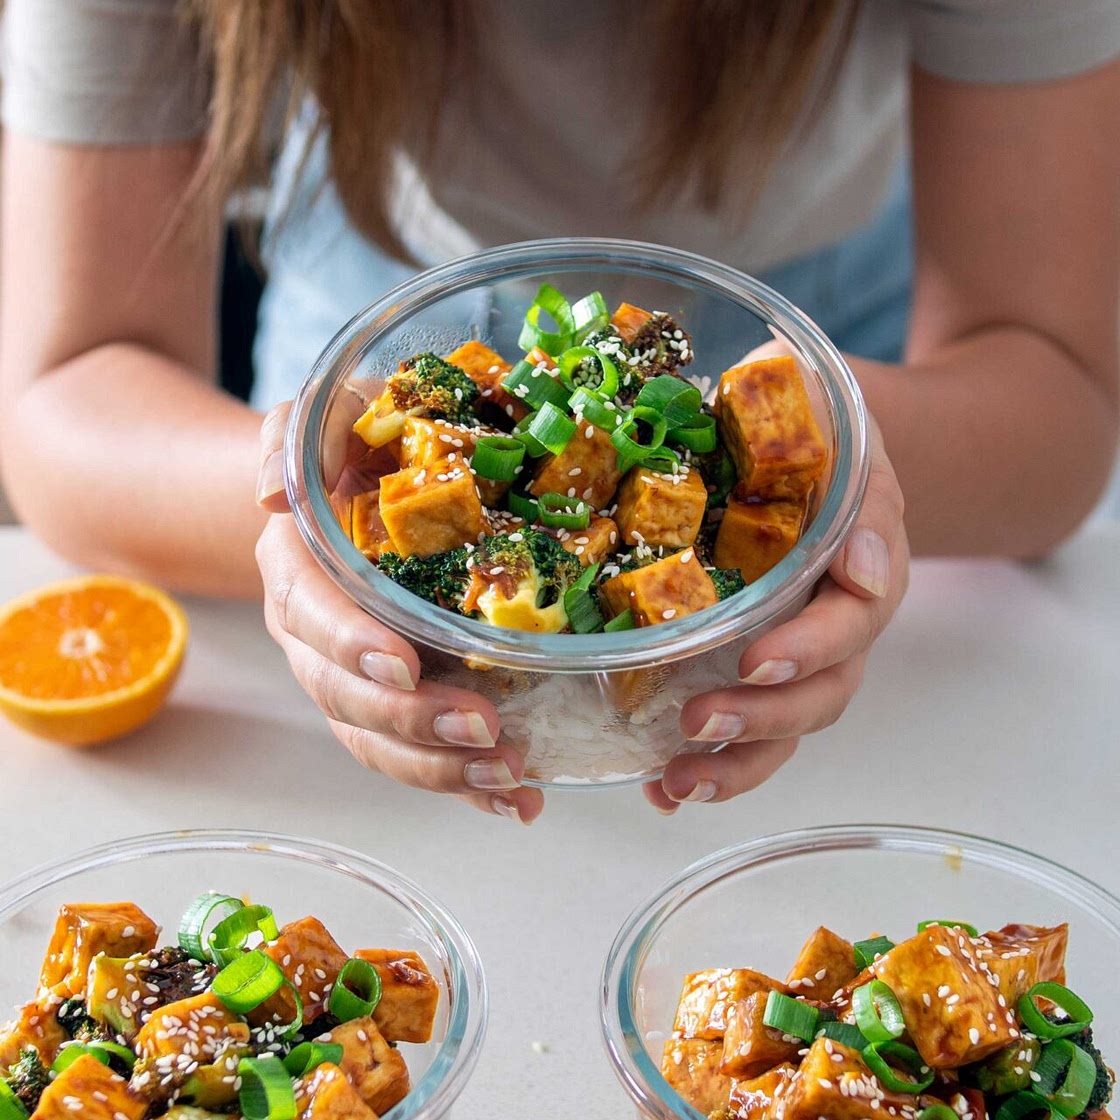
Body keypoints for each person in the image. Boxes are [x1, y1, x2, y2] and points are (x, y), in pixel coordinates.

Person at [1, 2, 1117, 823]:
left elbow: (1059, 397)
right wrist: (316, 508)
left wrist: (836, 449)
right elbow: (72, 391)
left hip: (850, 309)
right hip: (374, 305)